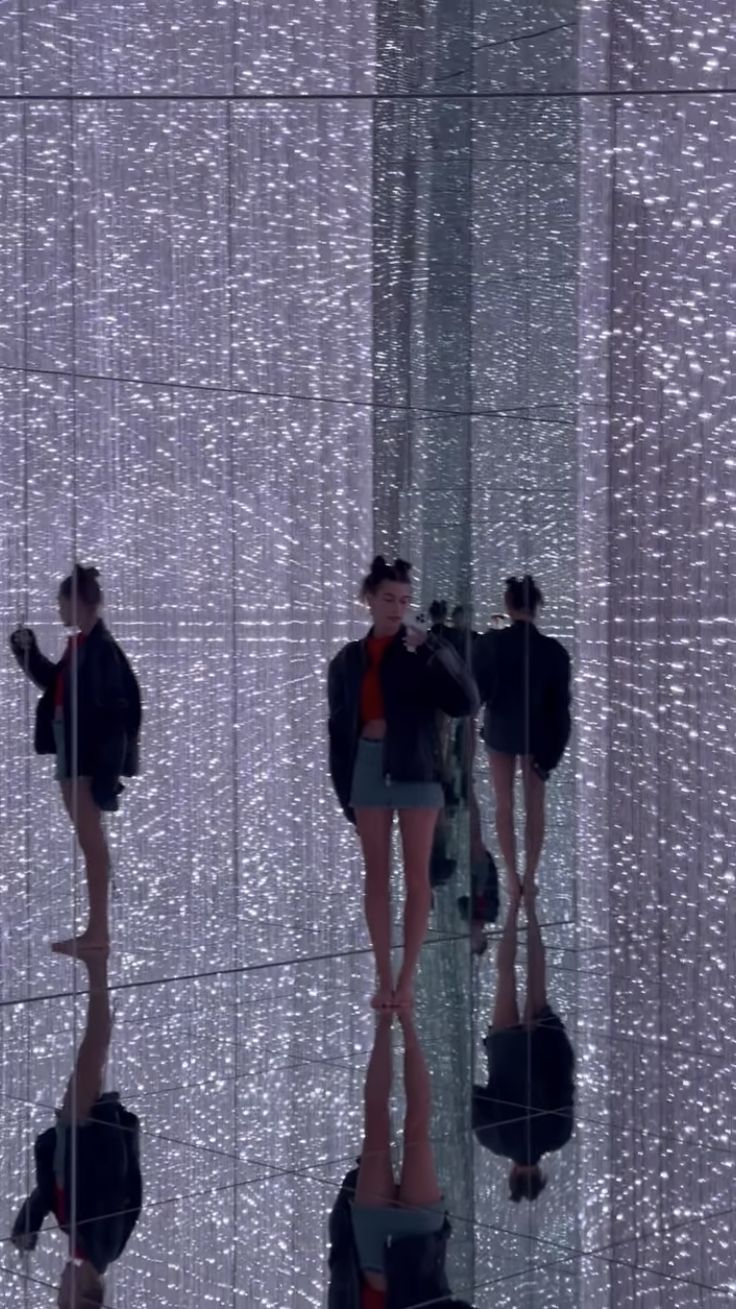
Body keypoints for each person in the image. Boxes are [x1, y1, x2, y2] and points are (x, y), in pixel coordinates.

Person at [327, 556, 479, 1010]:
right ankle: (382, 976)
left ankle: (407, 980)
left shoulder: (421, 653)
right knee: (376, 875)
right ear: (369, 600)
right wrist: (344, 790)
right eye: (389, 599)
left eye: (405, 600)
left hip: (416, 766)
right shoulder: (347, 661)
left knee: (417, 878)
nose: (397, 608)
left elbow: (466, 701)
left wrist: (434, 647)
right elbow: (338, 731)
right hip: (368, 766)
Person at [9, 563, 142, 954]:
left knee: (91, 841)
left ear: (78, 603)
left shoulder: (100, 650)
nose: (57, 609)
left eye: (60, 602)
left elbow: (120, 714)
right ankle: (96, 930)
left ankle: (98, 931)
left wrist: (106, 773)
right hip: (73, 752)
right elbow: (57, 687)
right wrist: (27, 653)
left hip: (85, 758)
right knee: (90, 840)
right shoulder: (81, 646)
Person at [11, 949, 142, 1306]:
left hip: (79, 1129)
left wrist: (29, 1221)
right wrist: (95, 1126)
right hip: (88, 1127)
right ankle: (97, 961)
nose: (56, 1285)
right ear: (84, 1295)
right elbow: (119, 1181)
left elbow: (51, 1192)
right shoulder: (103, 1244)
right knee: (95, 1047)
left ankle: (96, 959)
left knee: (94, 1049)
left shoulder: (80, 1241)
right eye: (60, 1295)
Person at [327, 1011, 477, 1309]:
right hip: (417, 1246)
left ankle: (387, 1018)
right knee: (415, 1128)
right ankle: (405, 1018)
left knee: (381, 1122)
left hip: (376, 1250)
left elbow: (340, 1270)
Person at [473, 575, 571, 903]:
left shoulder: (492, 644)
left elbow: (480, 690)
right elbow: (560, 708)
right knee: (534, 805)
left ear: (509, 605)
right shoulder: (554, 651)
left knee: (504, 802)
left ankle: (512, 876)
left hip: (501, 728)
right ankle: (530, 874)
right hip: (537, 734)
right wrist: (554, 751)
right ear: (537, 606)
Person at [472, 895, 575, 1202]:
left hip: (543, 1049)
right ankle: (514, 908)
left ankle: (527, 905)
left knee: (535, 979)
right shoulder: (496, 1141)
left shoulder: (558, 1137)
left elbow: (564, 1084)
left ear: (539, 1175)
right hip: (506, 1053)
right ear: (512, 1176)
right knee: (506, 977)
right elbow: (473, 1097)